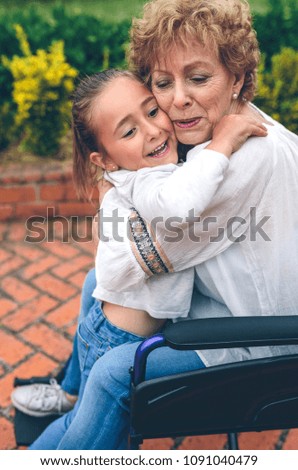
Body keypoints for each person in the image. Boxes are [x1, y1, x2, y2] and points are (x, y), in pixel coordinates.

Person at [18, 0, 298, 450]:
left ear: (239, 79)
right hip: (225, 303)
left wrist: (110, 190)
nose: (178, 99)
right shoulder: (216, 133)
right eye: (163, 83)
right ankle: (72, 397)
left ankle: (85, 405)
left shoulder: (243, 159)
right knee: (95, 283)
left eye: (199, 78)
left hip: (259, 341)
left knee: (112, 376)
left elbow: (139, 252)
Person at [12, 67, 265, 424]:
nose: (152, 130)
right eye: (129, 131)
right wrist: (222, 143)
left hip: (126, 320)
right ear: (106, 160)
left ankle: (68, 392)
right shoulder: (150, 183)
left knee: (89, 283)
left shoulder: (149, 169)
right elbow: (180, 204)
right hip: (116, 336)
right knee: (82, 420)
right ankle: (70, 404)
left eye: (151, 111)